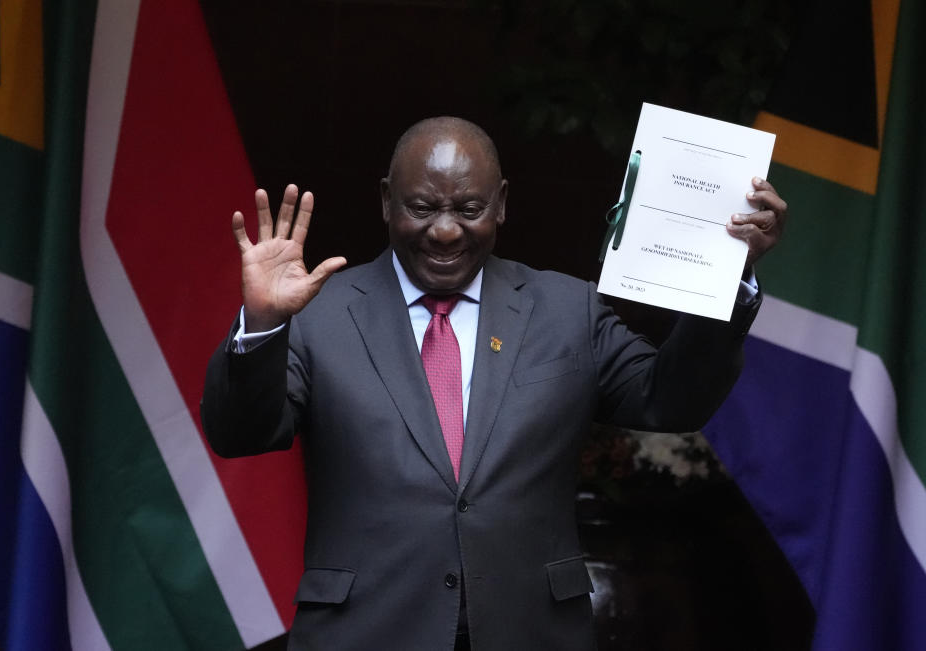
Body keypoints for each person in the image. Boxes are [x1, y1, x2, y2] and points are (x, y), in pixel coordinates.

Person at [201, 116, 786, 650]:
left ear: (502, 204)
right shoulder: (320, 317)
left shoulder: (566, 310)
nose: (447, 232)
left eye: (470, 209)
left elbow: (669, 401)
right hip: (367, 631)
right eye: (423, 208)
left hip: (530, 631)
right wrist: (263, 325)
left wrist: (731, 280)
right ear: (386, 202)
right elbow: (240, 433)